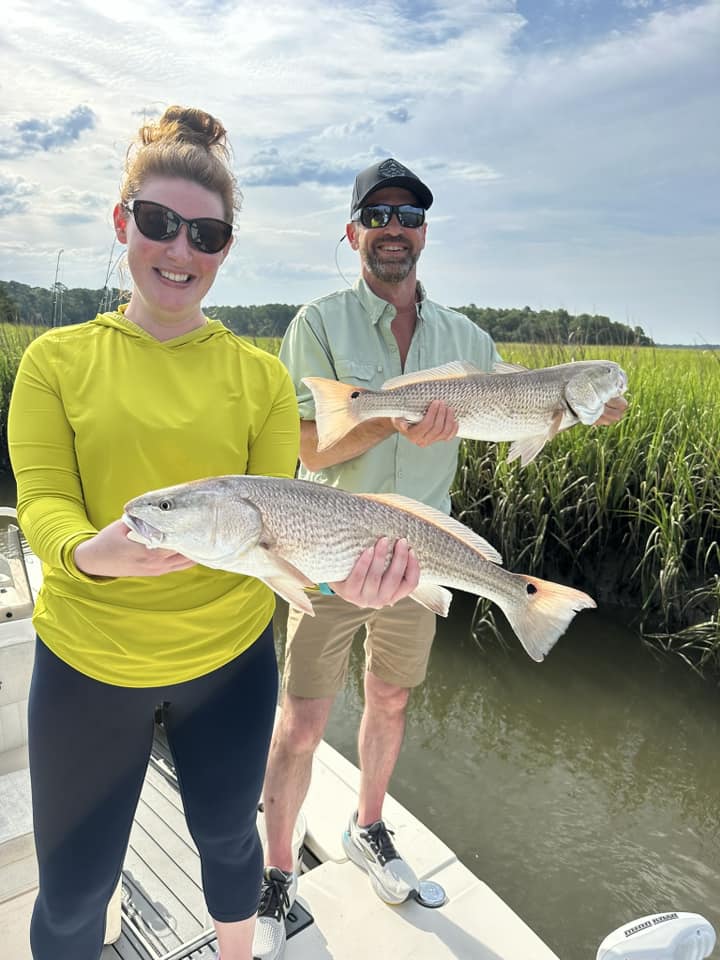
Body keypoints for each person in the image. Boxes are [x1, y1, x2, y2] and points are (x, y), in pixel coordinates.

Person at [8, 115, 418, 960]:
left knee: (232, 845)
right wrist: (88, 554)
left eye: (207, 233)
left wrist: (354, 582)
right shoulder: (55, 361)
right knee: (76, 889)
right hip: (90, 664)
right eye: (158, 222)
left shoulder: (260, 377)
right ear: (123, 222)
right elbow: (45, 503)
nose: (179, 249)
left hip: (229, 666)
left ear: (226, 248)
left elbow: (281, 535)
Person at [253, 157, 628, 960]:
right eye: (378, 217)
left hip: (424, 553)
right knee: (303, 717)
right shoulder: (316, 324)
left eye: (410, 217)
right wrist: (385, 420)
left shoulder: (468, 340)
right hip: (326, 542)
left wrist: (576, 412)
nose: (395, 231)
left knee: (389, 699)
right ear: (353, 232)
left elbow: (513, 413)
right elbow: (304, 445)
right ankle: (276, 874)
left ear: (425, 233)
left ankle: (369, 827)